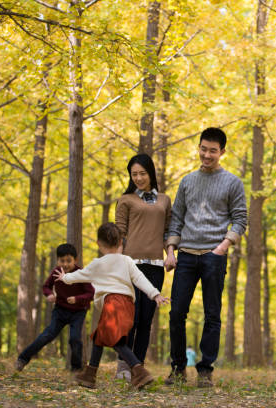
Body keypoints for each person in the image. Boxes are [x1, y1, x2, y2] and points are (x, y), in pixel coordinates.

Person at [164, 127, 247, 387]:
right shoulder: (187, 181)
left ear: (222, 152)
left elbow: (240, 219)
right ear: (198, 147)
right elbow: (176, 218)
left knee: (213, 315)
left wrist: (222, 247)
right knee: (176, 312)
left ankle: (204, 370)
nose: (207, 154)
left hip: (214, 255)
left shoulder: (233, 182)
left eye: (212, 150)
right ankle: (178, 368)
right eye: (203, 148)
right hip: (186, 255)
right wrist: (170, 250)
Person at [55, 222, 169, 390]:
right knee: (99, 338)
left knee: (116, 342)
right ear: (121, 242)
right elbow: (140, 279)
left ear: (99, 244)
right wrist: (155, 294)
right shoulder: (127, 261)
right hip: (128, 305)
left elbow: (80, 275)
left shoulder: (98, 263)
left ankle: (139, 371)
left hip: (112, 303)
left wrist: (65, 278)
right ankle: (89, 374)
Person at [114, 153, 172, 380]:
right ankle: (124, 366)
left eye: (142, 173)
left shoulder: (165, 200)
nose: (138, 178)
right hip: (131, 265)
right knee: (132, 317)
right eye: (134, 174)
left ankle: (138, 367)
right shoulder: (126, 199)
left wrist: (170, 254)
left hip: (156, 266)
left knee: (146, 319)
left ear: (151, 173)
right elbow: (119, 233)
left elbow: (168, 231)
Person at [15, 243, 94, 372]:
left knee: (75, 339)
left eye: (69, 261)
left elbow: (91, 293)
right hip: (60, 310)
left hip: (78, 312)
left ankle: (76, 369)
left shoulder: (81, 274)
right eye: (62, 261)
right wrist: (50, 294)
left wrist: (77, 299)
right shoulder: (56, 272)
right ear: (58, 260)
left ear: (76, 260)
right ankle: (22, 359)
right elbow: (45, 286)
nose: (65, 264)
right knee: (47, 335)